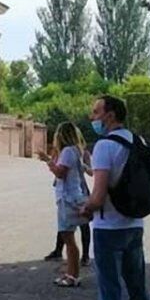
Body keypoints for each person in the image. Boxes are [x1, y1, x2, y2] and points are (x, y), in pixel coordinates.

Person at [74, 95, 150, 300]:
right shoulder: (138, 140)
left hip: (109, 230)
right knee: (138, 293)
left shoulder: (105, 146)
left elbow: (97, 196)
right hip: (135, 225)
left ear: (109, 115)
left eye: (96, 112)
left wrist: (86, 209)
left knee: (110, 297)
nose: (92, 118)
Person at [39, 122, 90, 287]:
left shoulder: (68, 151)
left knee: (69, 238)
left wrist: (48, 161)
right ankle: (70, 272)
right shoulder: (75, 150)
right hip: (72, 196)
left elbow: (61, 173)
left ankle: (72, 275)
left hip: (68, 198)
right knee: (69, 238)